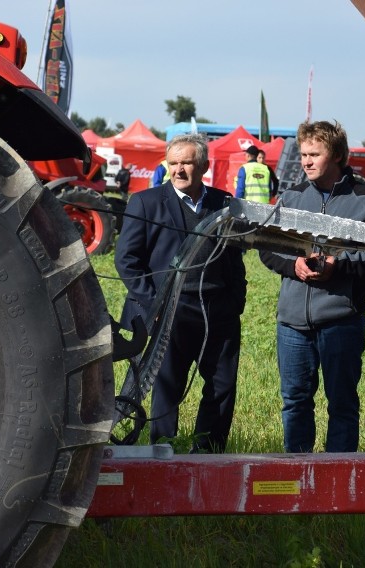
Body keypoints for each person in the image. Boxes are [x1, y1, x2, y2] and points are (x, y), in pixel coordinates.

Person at [259, 120, 365, 453]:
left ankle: (338, 479)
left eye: (314, 154)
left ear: (336, 154)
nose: (306, 161)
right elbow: (267, 246)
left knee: (341, 404)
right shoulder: (291, 198)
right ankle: (298, 472)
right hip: (292, 322)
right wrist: (292, 265)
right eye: (303, 154)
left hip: (341, 320)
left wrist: (343, 264)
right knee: (294, 401)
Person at [115, 133, 247, 453]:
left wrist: (234, 302)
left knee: (221, 385)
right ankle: (163, 451)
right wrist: (154, 304)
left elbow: (235, 258)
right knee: (167, 385)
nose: (178, 170)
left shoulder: (224, 203)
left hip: (217, 310)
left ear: (203, 165)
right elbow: (127, 260)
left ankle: (208, 452)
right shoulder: (145, 203)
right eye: (173, 163)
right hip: (169, 311)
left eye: (186, 162)